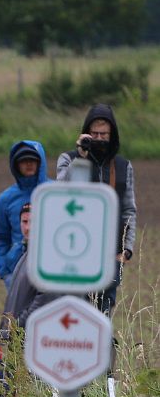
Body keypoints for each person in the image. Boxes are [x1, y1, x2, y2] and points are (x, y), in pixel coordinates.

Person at [55, 105, 137, 315]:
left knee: (102, 316)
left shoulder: (123, 166)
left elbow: (129, 209)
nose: (99, 139)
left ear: (113, 136)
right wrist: (81, 158)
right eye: (94, 134)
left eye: (104, 134)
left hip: (111, 256)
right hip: (75, 255)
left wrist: (126, 251)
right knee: (74, 312)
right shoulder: (68, 159)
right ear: (85, 133)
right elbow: (59, 191)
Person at [0, 140, 47, 287]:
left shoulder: (53, 194)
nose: (28, 164)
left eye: (33, 160)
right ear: (15, 165)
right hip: (16, 273)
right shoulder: (6, 199)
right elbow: (1, 237)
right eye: (23, 161)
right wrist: (5, 272)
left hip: (48, 271)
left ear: (40, 163)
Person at [0, 203, 58, 336]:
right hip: (17, 337)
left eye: (33, 222)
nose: (28, 227)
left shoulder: (45, 256)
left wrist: (18, 326)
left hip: (29, 338)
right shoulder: (27, 254)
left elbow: (45, 298)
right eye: (24, 221)